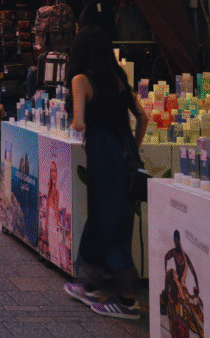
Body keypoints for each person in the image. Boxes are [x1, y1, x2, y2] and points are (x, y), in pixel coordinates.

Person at [63, 25, 148, 320]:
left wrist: (79, 122)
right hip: (125, 159)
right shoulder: (119, 80)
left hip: (103, 159)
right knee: (110, 220)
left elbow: (78, 124)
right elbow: (143, 116)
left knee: (108, 223)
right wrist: (132, 151)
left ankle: (127, 301)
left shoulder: (81, 81)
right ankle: (90, 283)